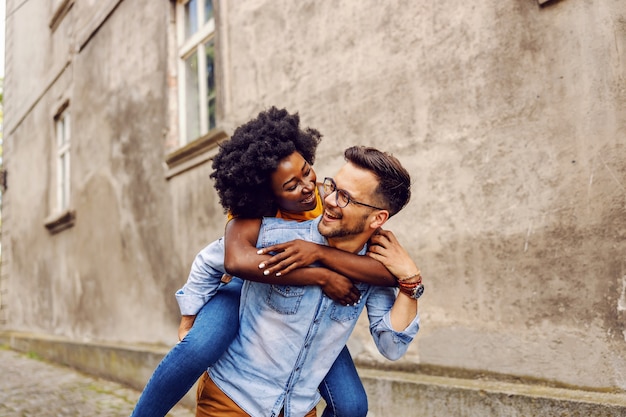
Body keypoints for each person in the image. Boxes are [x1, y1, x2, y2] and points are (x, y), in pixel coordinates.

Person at [130, 108, 399, 417]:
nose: (309, 186)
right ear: (267, 194)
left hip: (304, 312)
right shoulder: (255, 219)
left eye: (307, 171)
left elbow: (379, 261)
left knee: (352, 406)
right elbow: (229, 261)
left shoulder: (329, 202)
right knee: (197, 347)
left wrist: (400, 270)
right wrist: (190, 312)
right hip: (246, 285)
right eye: (291, 186)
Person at [196, 146, 423, 417]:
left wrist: (410, 283)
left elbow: (392, 347)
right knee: (191, 351)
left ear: (378, 218)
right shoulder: (278, 235)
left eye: (345, 197)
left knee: (353, 407)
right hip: (232, 401)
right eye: (332, 187)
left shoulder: (372, 270)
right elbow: (211, 260)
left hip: (298, 410)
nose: (327, 200)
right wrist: (191, 315)